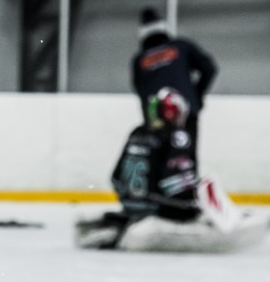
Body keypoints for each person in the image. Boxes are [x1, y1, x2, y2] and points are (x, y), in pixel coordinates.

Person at [81, 87, 200, 249]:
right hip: (158, 208)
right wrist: (194, 196)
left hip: (130, 206)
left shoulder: (137, 132)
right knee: (193, 211)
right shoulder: (177, 136)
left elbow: (116, 177)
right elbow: (175, 184)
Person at [131, 7, 217, 156]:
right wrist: (196, 97)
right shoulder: (182, 46)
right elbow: (209, 68)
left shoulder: (139, 60)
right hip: (186, 112)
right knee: (185, 161)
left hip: (155, 119)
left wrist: (148, 121)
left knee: (157, 163)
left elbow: (140, 91)